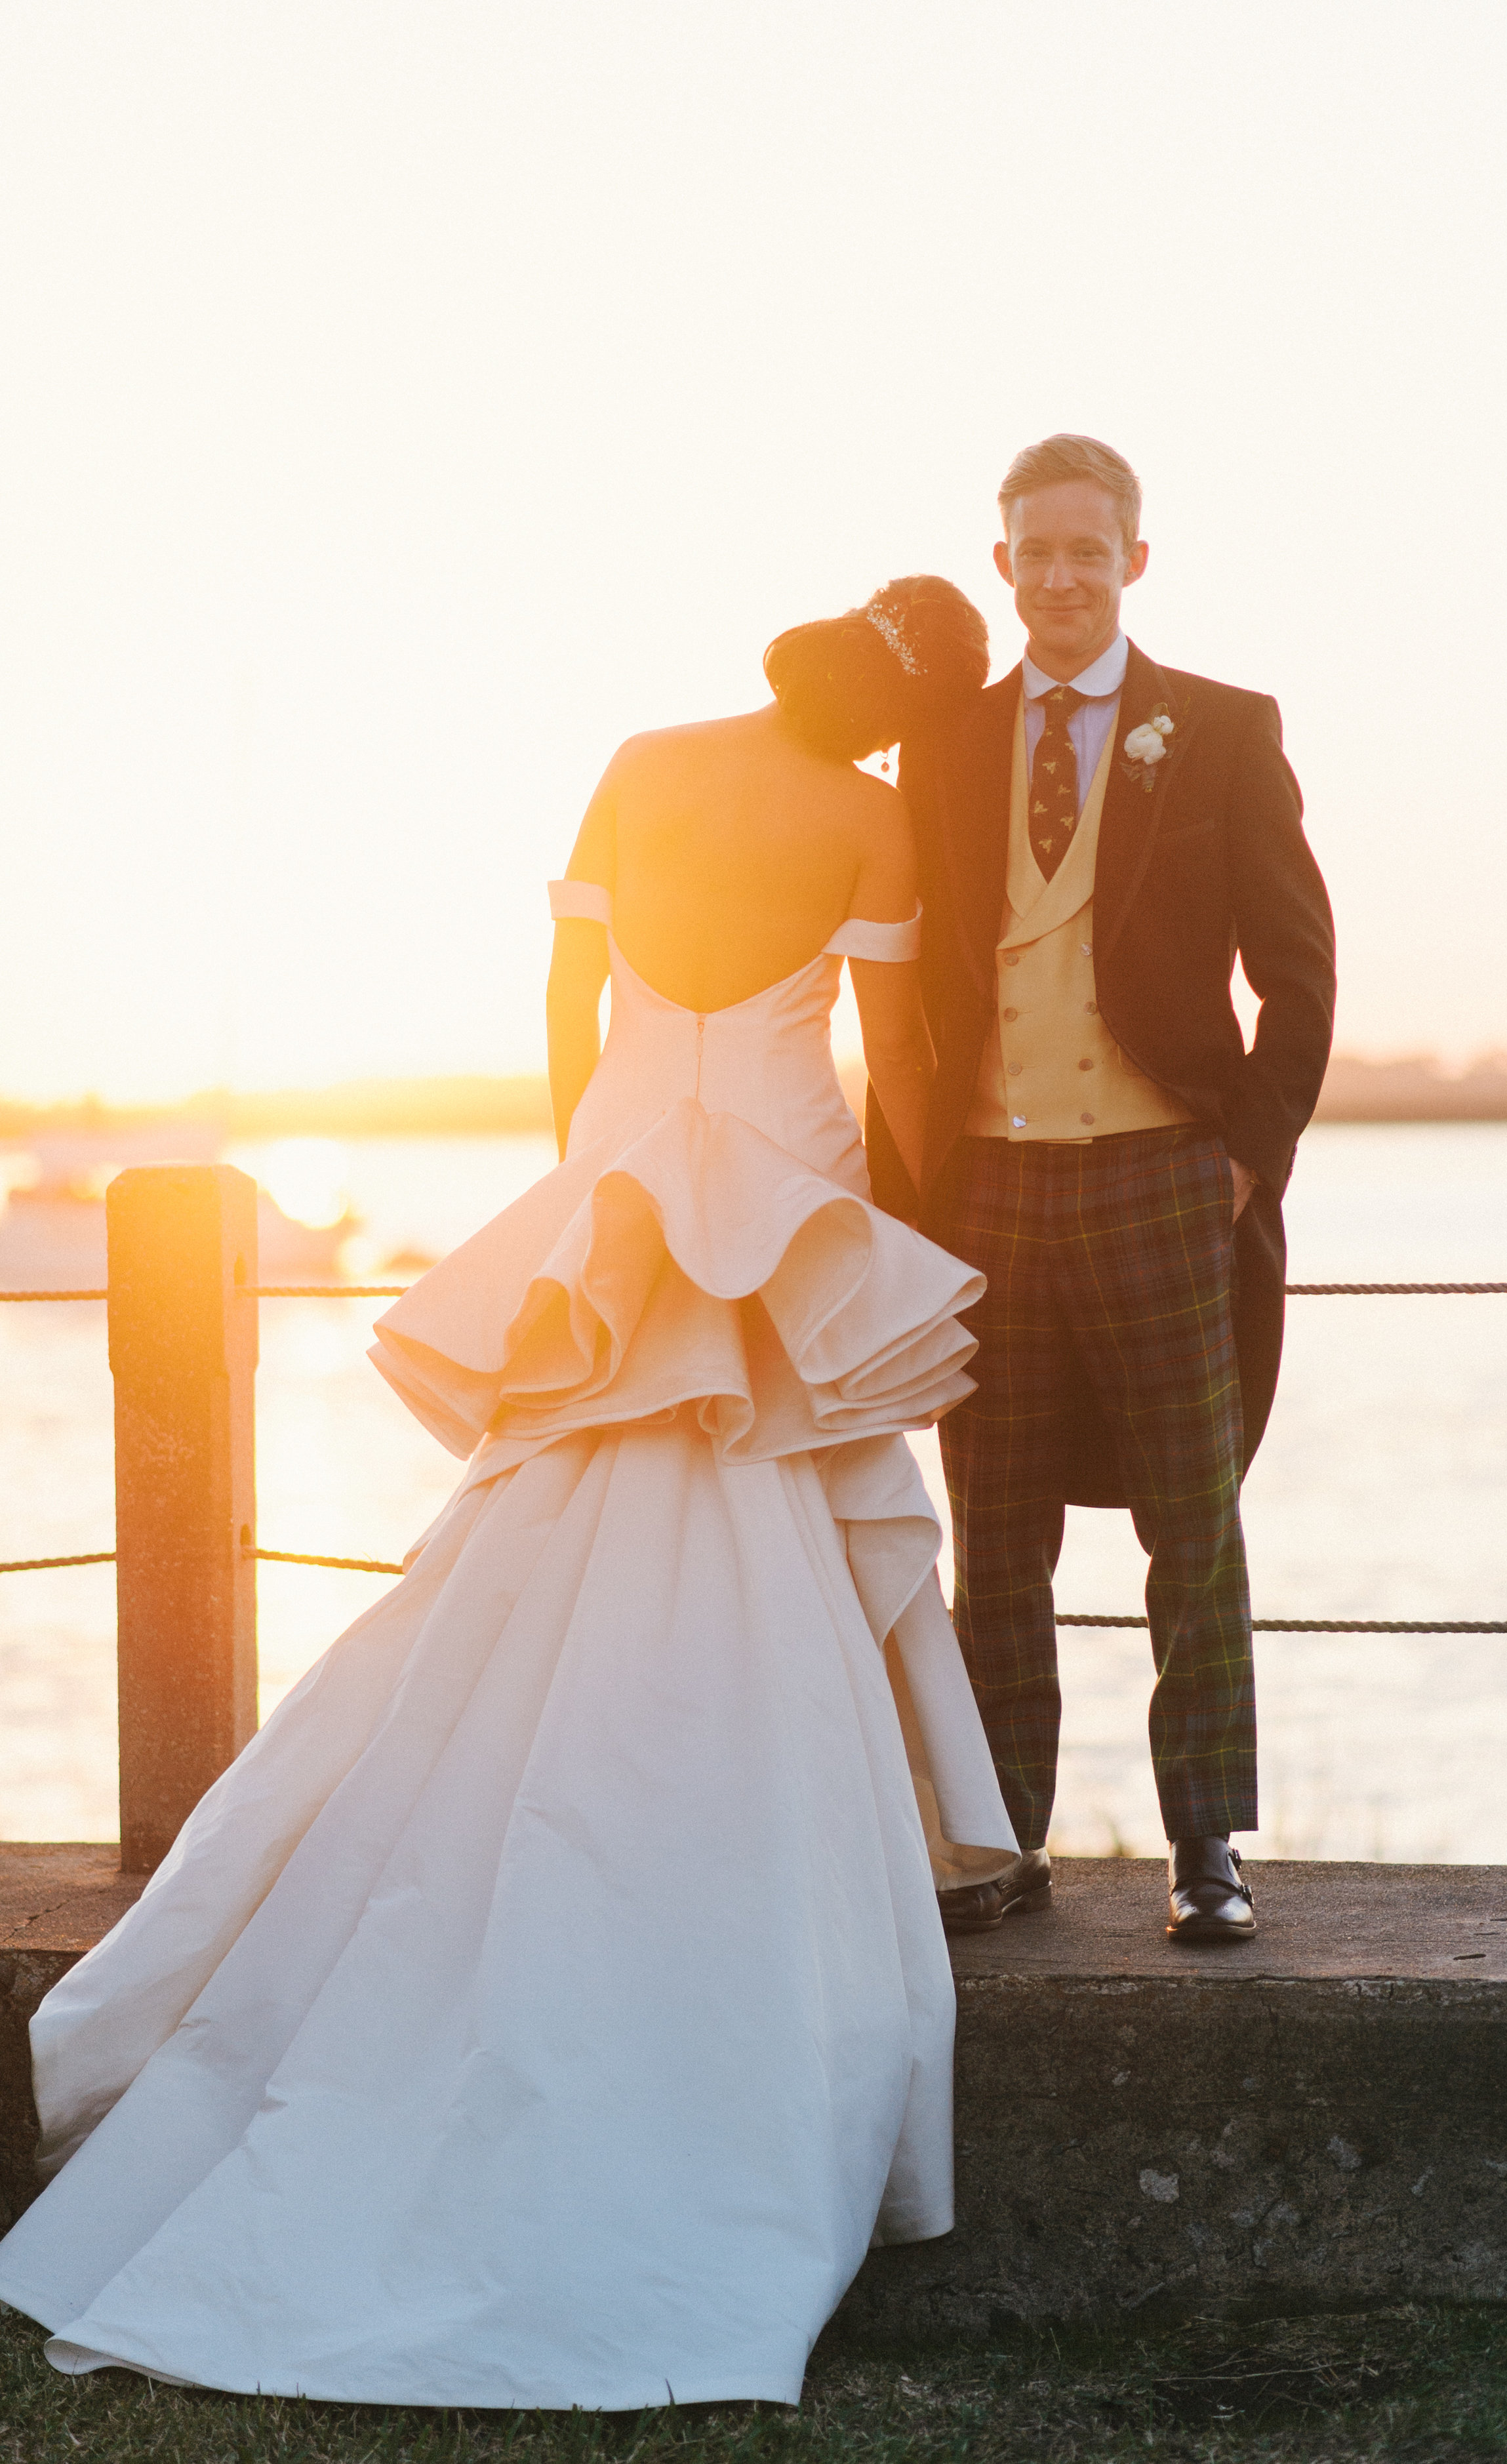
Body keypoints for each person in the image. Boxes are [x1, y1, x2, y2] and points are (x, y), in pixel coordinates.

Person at [0, 577, 1017, 2409]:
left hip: (620, 1163)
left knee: (527, 1536)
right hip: (779, 1177)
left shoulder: (637, 759)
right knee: (775, 1505)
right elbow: (899, 1049)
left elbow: (569, 988)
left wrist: (594, 1170)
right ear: (898, 711)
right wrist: (888, 1228)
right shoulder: (867, 808)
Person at [870, 435, 1335, 1944]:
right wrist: (912, 1197)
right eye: (1033, 551)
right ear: (998, 563)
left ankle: (1207, 1846)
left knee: (1190, 1527)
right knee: (993, 1535)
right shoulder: (937, 746)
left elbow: (1299, 972)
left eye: (1088, 550)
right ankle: (1001, 1844)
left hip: (1160, 1176)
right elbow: (907, 992)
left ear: (1134, 560)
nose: (1059, 577)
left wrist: (1245, 1157)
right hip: (988, 1185)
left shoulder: (1218, 729)